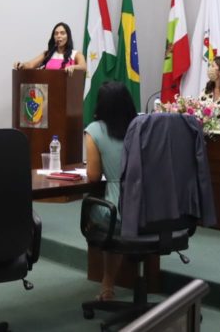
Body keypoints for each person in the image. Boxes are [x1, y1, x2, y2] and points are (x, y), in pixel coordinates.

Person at [84, 81, 137, 302]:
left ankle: (108, 283)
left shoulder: (95, 130)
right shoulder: (140, 126)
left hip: (117, 210)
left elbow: (93, 176)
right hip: (149, 208)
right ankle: (109, 282)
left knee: (99, 212)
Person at [13, 22, 87, 75]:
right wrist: (21, 65)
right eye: (56, 33)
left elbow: (83, 66)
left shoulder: (76, 54)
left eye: (62, 33)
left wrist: (73, 67)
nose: (59, 36)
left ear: (68, 36)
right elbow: (30, 65)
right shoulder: (47, 54)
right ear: (53, 37)